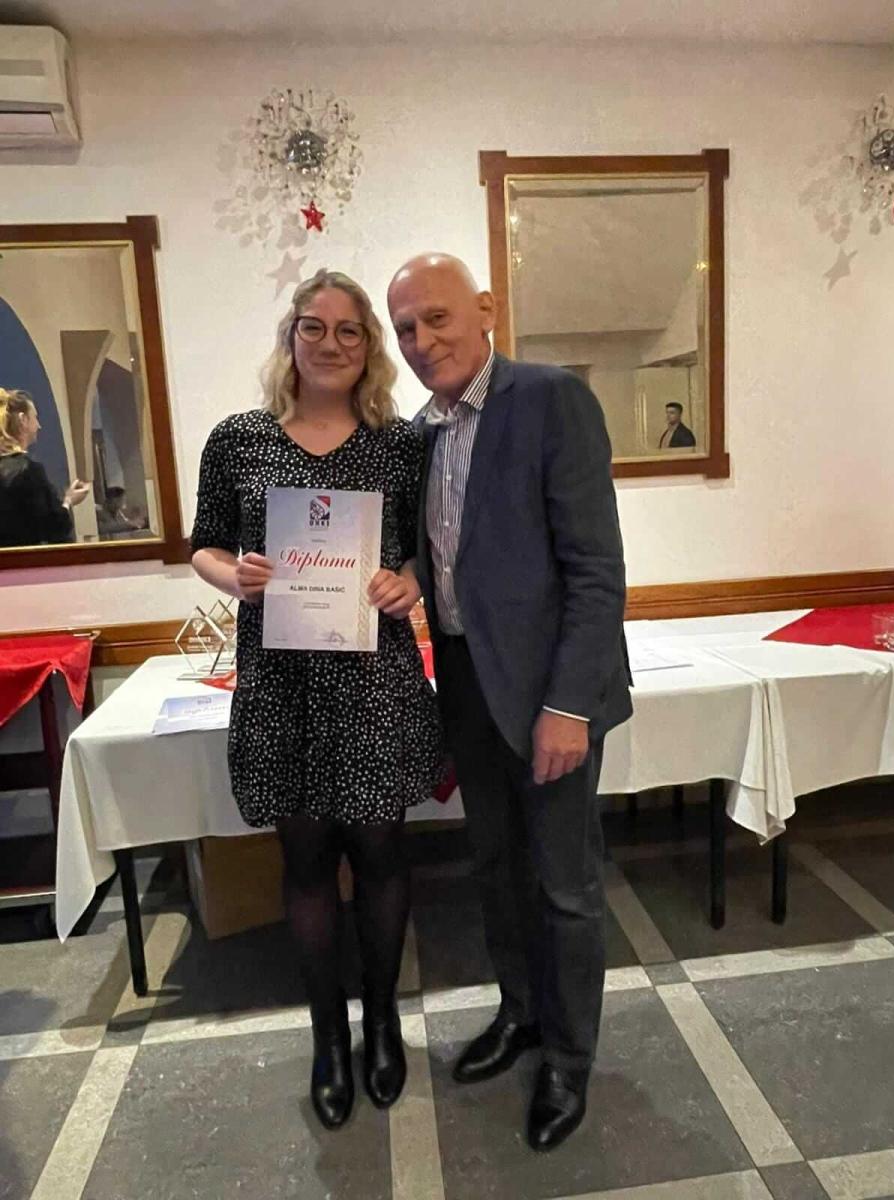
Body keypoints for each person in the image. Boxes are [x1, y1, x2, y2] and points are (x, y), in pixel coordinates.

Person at [387, 254, 632, 1152]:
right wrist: (406, 578)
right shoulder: (419, 434)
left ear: (485, 310)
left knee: (565, 886)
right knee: (495, 869)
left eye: (437, 318)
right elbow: (450, 557)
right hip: (467, 688)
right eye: (406, 329)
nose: (423, 341)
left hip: (549, 698)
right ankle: (522, 1012)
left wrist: (568, 706)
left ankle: (568, 1058)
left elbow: (596, 573)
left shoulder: (550, 399)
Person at [191, 270, 445, 1130]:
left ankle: (382, 1023)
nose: (330, 344)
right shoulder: (239, 439)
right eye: (314, 327)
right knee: (304, 865)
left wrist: (407, 582)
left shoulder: (402, 445)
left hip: (373, 681)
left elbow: (426, 554)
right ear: (290, 337)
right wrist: (236, 575)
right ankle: (328, 1039)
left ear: (368, 346)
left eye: (348, 330)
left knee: (380, 857)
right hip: (283, 685)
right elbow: (204, 545)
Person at [0, 388, 90, 547]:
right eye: (35, 417)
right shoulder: (29, 471)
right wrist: (68, 501)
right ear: (23, 420)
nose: (39, 426)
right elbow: (54, 529)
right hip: (25, 560)